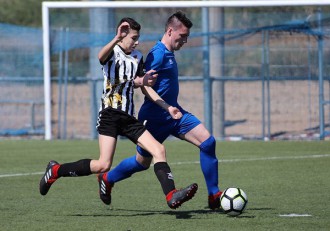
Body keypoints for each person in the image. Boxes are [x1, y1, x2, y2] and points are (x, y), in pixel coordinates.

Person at [39, 17, 198, 210]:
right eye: (133, 38)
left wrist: (167, 106)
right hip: (110, 114)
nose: (136, 42)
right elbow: (100, 56)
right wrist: (116, 38)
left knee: (159, 150)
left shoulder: (138, 56)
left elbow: (143, 86)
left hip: (128, 117)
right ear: (122, 36)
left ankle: (171, 195)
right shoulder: (112, 52)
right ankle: (55, 170)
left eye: (137, 38)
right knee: (103, 165)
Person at [102, 11, 222, 210]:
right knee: (142, 162)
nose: (185, 40)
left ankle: (213, 195)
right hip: (155, 117)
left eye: (187, 36)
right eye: (182, 36)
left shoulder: (169, 53)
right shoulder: (157, 54)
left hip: (175, 113)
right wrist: (164, 105)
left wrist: (170, 107)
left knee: (208, 142)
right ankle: (107, 178)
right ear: (169, 31)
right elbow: (144, 85)